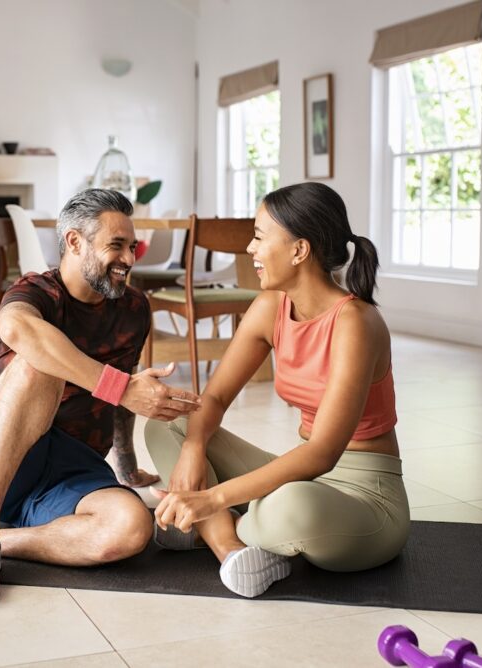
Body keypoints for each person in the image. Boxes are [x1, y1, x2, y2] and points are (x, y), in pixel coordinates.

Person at [0, 189, 201, 602]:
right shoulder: (36, 292)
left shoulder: (134, 308)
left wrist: (127, 463)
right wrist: (118, 389)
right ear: (73, 242)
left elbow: (129, 388)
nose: (129, 259)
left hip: (71, 472)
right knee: (38, 362)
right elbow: (17, 331)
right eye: (115, 246)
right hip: (0, 451)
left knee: (132, 527)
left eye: (131, 246)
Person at [146, 182, 408, 598]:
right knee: (170, 423)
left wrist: (212, 498)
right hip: (301, 474)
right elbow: (212, 398)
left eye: (258, 236)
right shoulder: (271, 307)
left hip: (366, 498)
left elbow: (323, 452)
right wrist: (195, 449)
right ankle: (231, 550)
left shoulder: (356, 323)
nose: (250, 249)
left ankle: (204, 524)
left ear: (299, 250)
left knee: (289, 507)